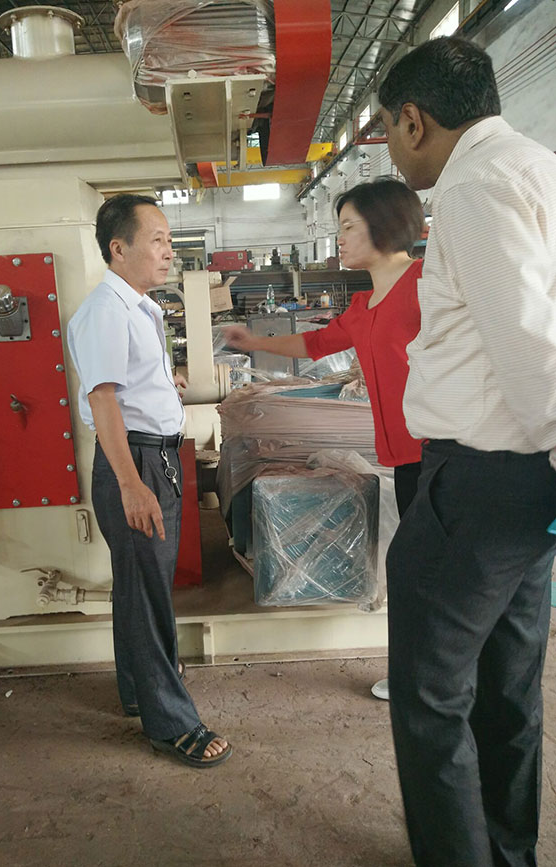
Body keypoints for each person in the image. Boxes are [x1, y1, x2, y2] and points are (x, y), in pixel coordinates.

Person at [377, 36, 556, 867]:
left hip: (482, 483)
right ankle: (508, 852)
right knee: (508, 688)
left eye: (387, 127)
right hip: (529, 490)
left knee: (429, 694)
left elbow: (531, 346)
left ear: (414, 120)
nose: (390, 144)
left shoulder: (476, 187)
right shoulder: (539, 168)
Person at [224, 178, 426, 700]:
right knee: (413, 571)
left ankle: (436, 680)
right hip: (406, 461)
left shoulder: (428, 285)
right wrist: (254, 341)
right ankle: (420, 674)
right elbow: (316, 343)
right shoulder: (364, 305)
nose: (339, 238)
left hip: (444, 455)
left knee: (430, 573)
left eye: (348, 227)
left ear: (383, 227)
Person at [67, 194, 231, 768]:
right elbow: (103, 401)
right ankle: (172, 724)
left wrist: (164, 385)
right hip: (134, 464)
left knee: (139, 587)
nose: (168, 251)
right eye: (157, 240)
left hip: (151, 457)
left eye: (168, 241)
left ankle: (139, 690)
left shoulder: (139, 306)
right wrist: (132, 485)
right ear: (119, 248)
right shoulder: (107, 311)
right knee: (147, 595)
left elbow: (126, 385)